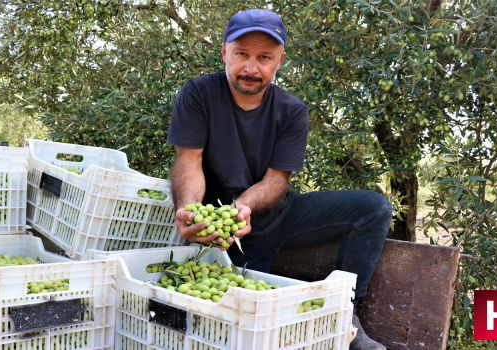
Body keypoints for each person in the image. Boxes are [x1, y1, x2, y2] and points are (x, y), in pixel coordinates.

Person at [167, 8, 391, 350]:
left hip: (278, 215)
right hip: (225, 235)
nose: (251, 68)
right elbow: (189, 161)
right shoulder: (198, 94)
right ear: (224, 51)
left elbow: (276, 180)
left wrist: (244, 205)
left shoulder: (291, 110)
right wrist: (191, 210)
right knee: (237, 321)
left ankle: (345, 313)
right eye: (242, 54)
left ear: (279, 60)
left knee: (373, 208)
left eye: (264, 57)